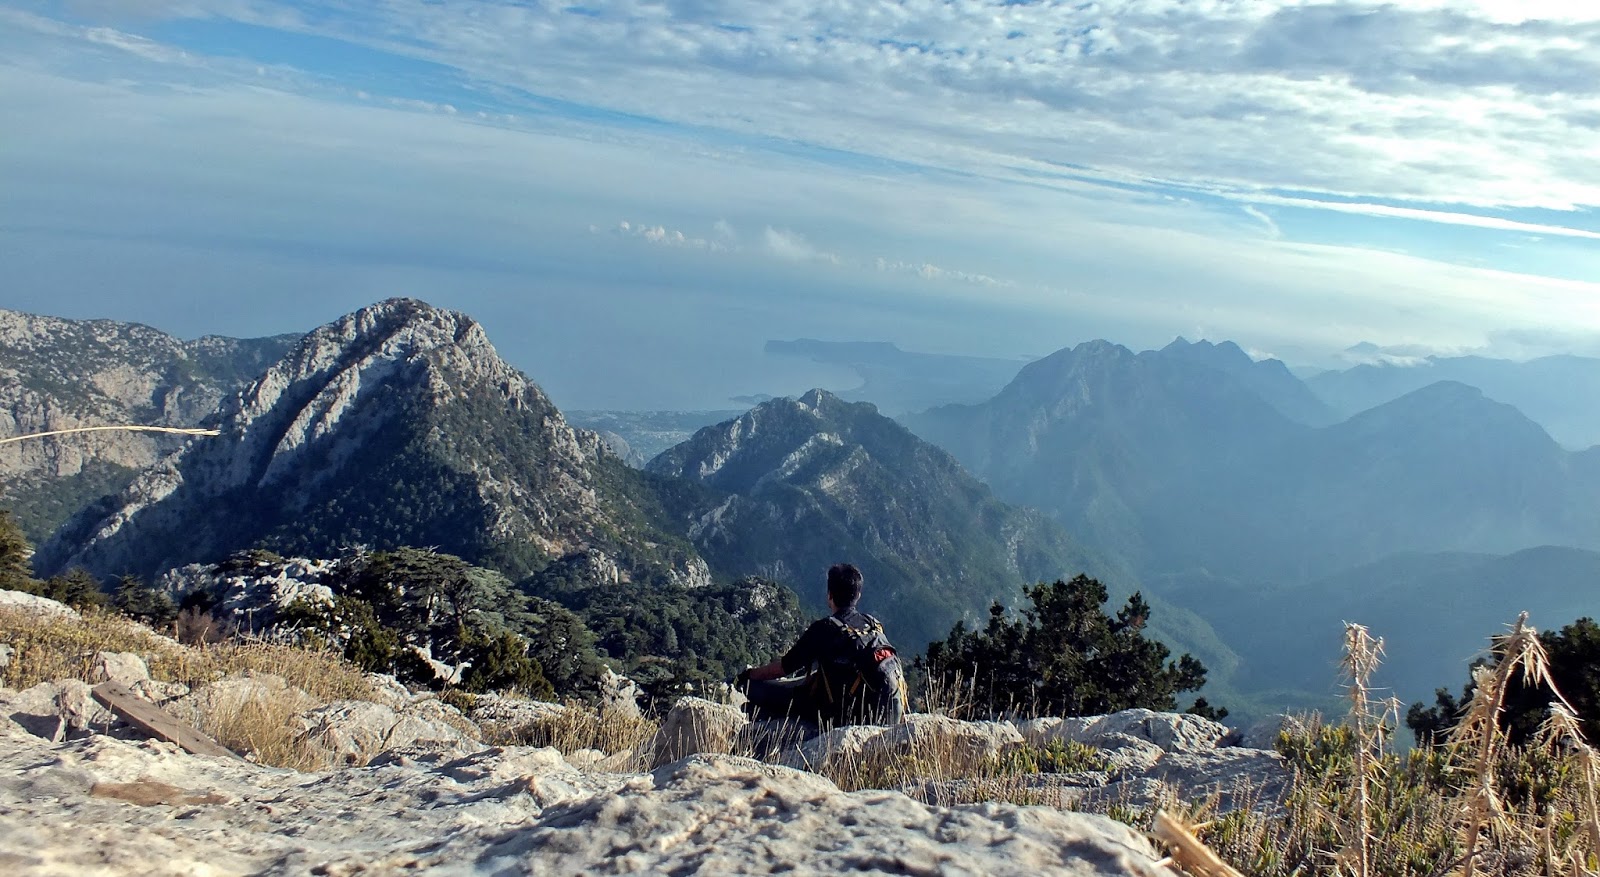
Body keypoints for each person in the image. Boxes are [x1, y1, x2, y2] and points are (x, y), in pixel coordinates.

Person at [737, 563, 906, 730]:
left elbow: (783, 668)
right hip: (877, 712)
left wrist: (749, 674)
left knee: (751, 687)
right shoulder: (873, 624)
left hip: (837, 715)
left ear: (829, 595)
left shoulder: (825, 628)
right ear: (858, 595)